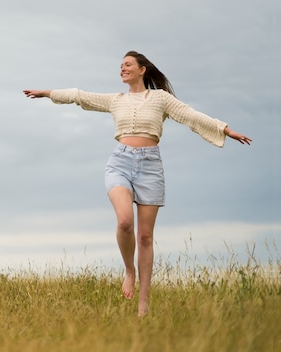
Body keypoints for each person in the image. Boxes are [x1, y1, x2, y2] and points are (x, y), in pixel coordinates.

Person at [23, 51, 251, 316]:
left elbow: (191, 115)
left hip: (150, 168)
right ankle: (129, 271)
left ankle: (143, 303)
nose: (122, 68)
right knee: (124, 221)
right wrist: (47, 93)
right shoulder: (116, 100)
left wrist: (225, 129)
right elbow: (79, 96)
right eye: (121, 66)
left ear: (142, 69)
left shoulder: (160, 99)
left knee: (145, 236)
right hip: (120, 163)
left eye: (128, 65)